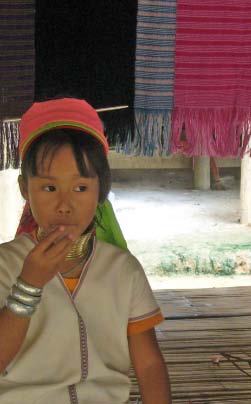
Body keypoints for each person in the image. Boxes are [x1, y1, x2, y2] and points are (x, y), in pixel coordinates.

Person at [0, 98, 171, 403]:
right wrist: (27, 286)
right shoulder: (5, 265)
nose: (64, 205)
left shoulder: (123, 271)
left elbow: (148, 365)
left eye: (80, 188)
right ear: (25, 188)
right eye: (49, 188)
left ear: (101, 189)